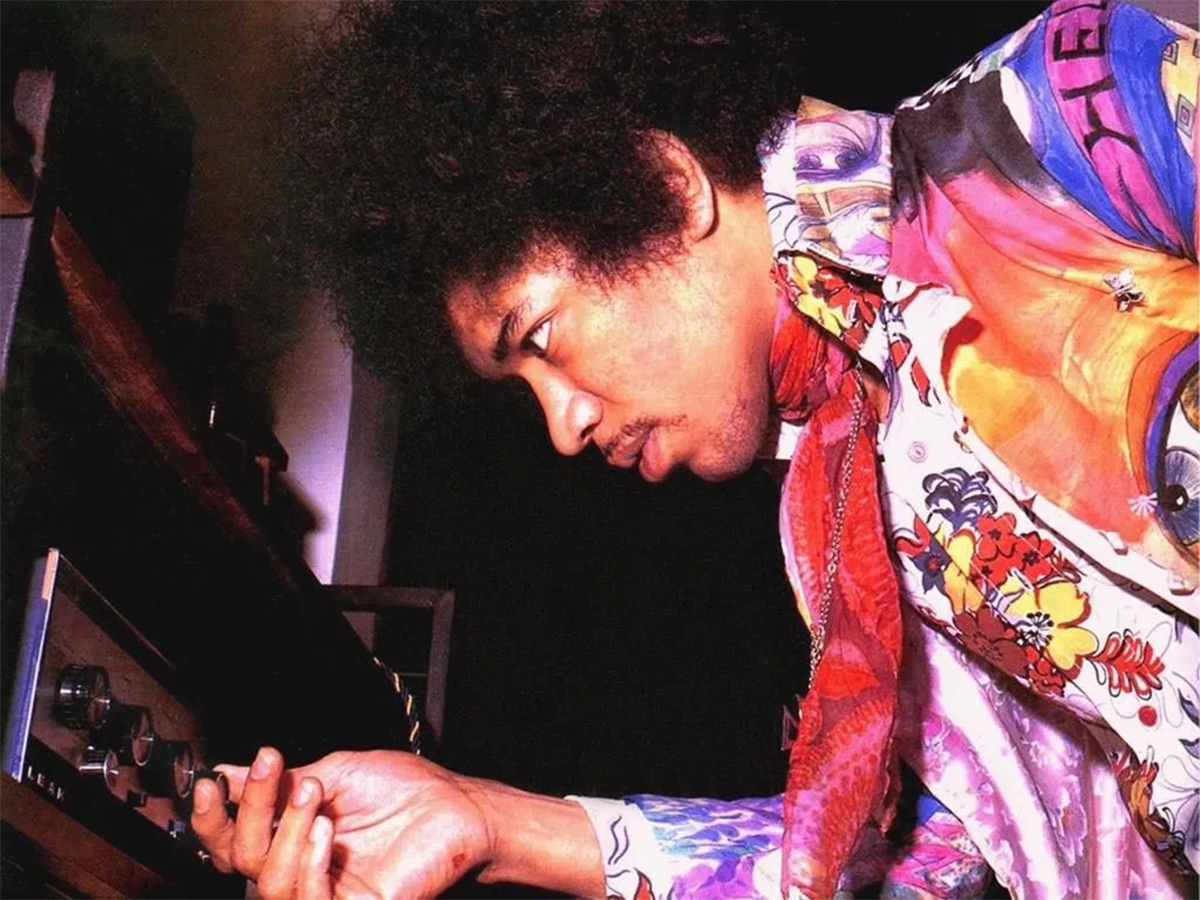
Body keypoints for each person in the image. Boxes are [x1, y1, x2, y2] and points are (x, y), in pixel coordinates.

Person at [192, 2, 1199, 898]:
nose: (562, 427)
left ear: (666, 192)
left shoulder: (1062, 109)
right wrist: (488, 827)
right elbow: (951, 851)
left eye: (541, 337)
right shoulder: (838, 517)